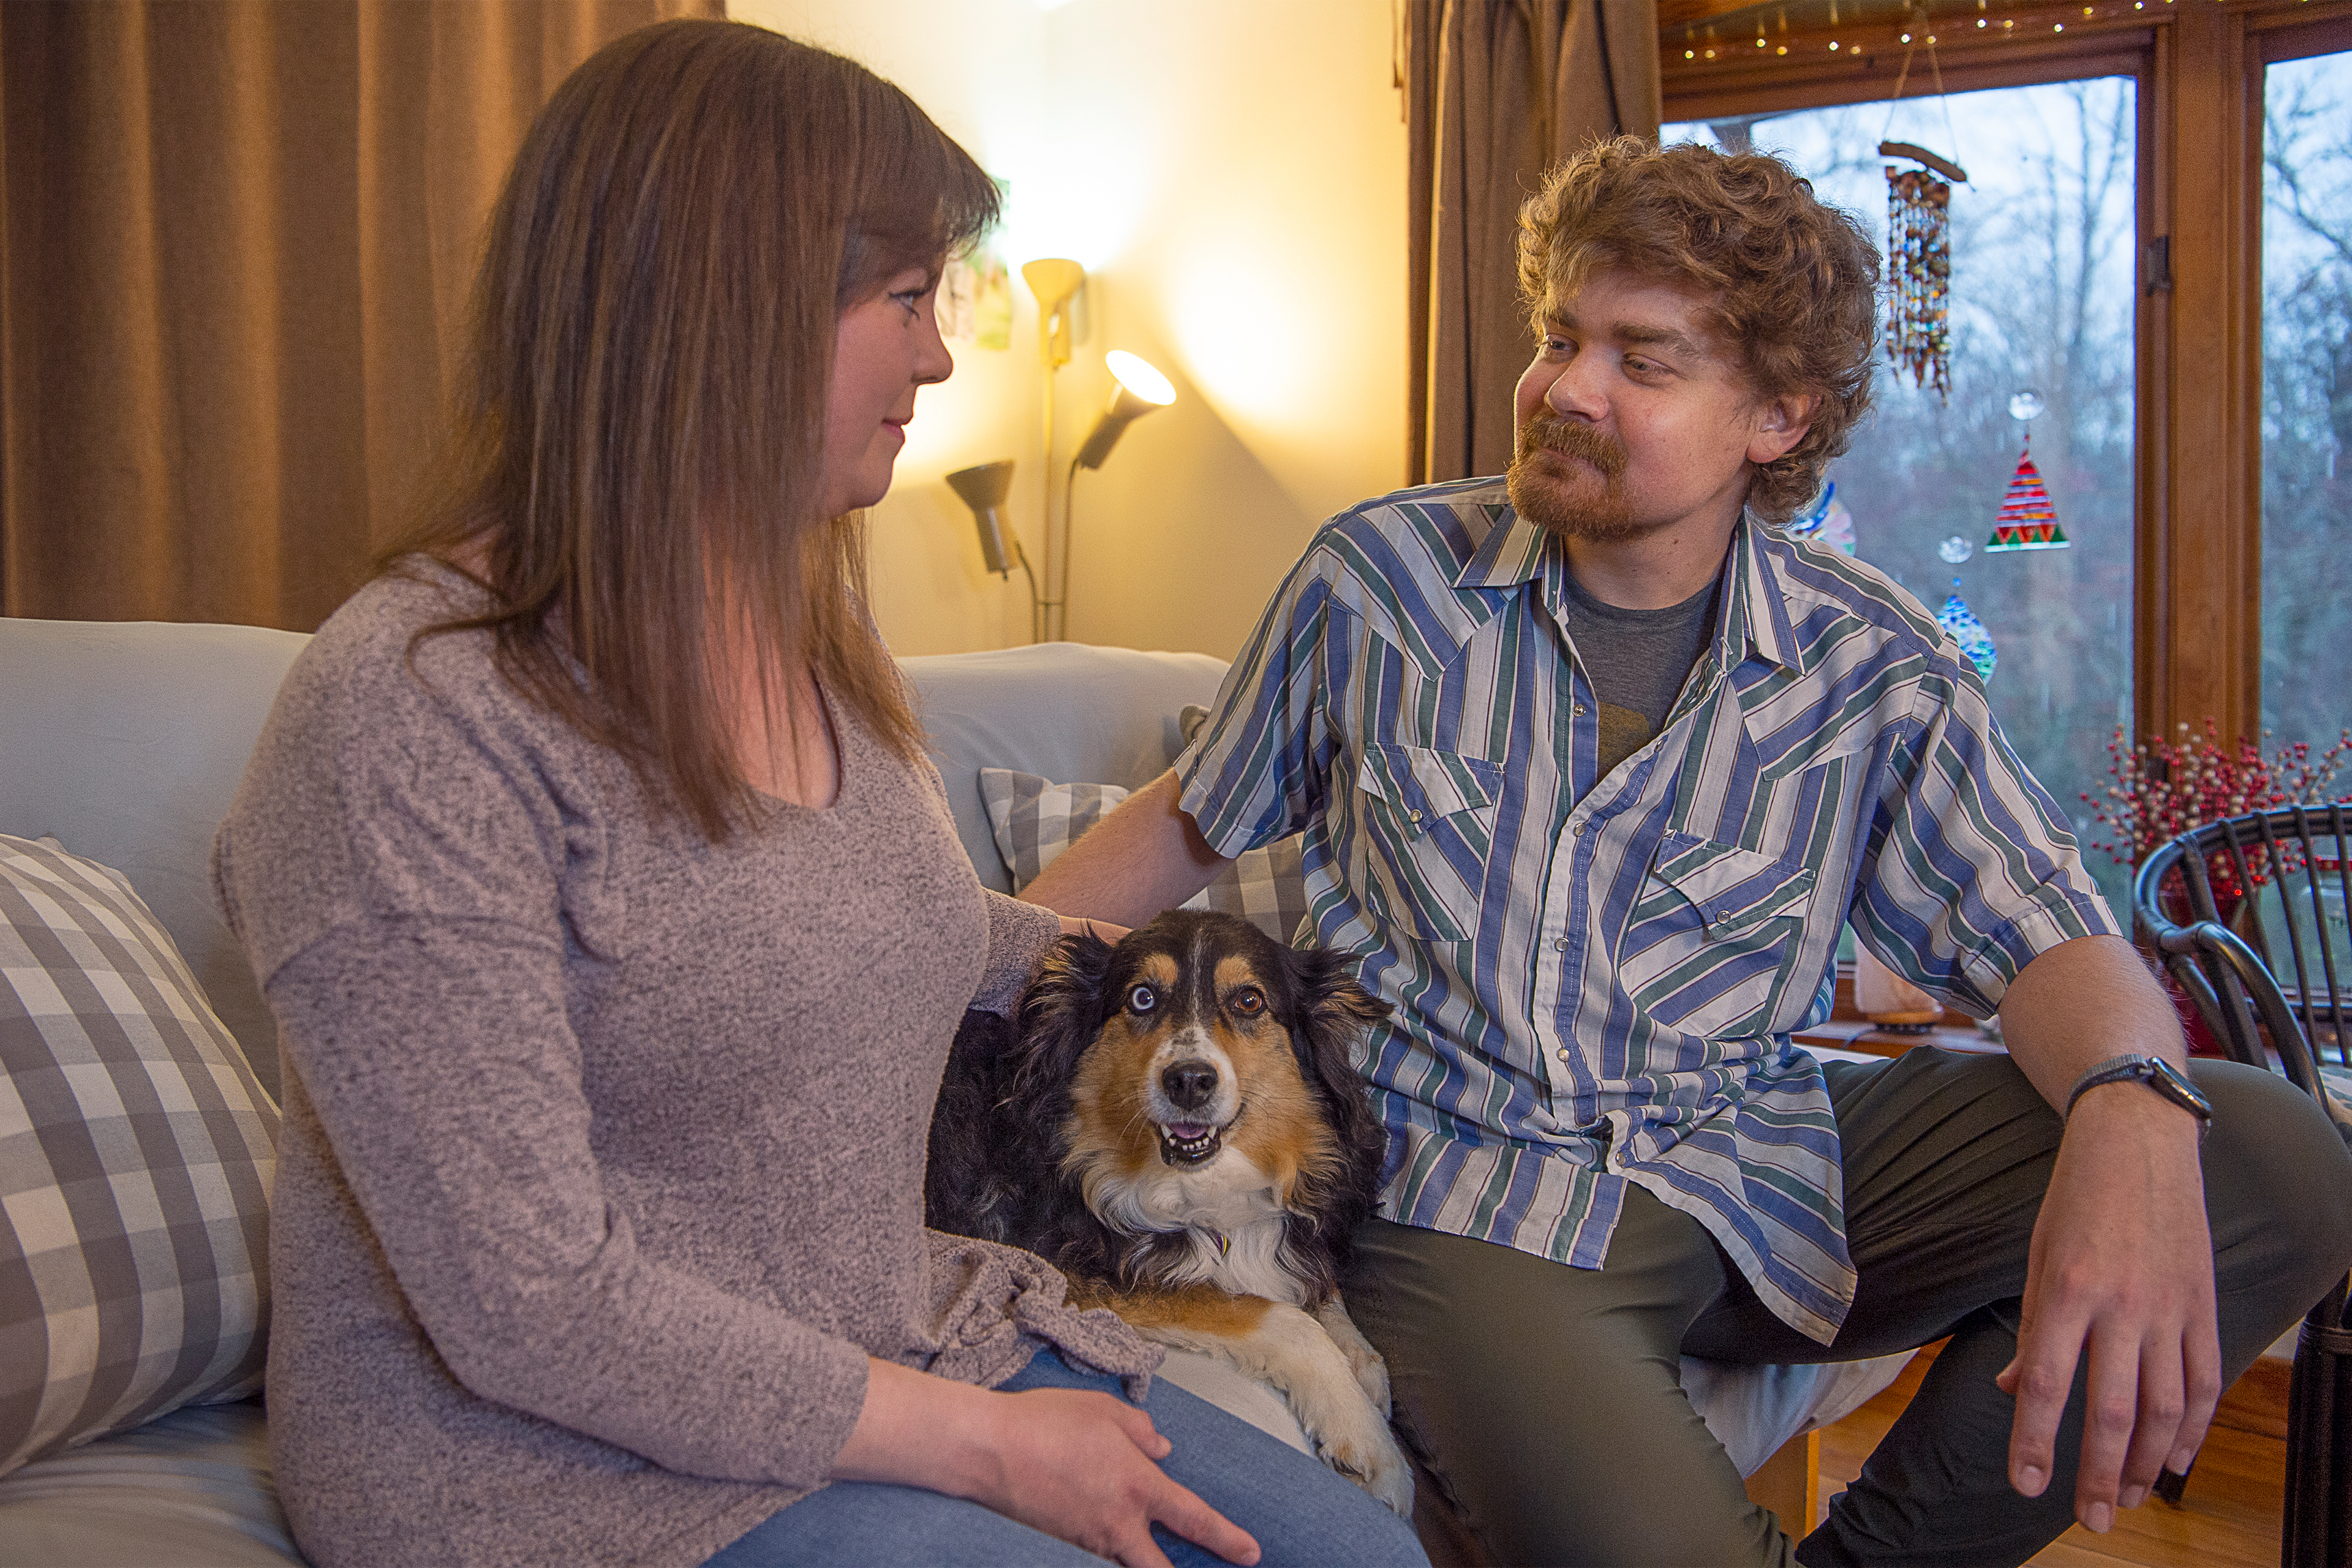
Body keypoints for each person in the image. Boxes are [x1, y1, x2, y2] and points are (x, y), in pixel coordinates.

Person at [1019, 137, 2352, 1567]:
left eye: (1641, 360)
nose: (1565, 388)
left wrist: (2132, 1102)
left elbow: (2050, 935)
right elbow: (1193, 815)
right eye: (1558, 338)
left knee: (2273, 1153)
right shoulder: (1380, 583)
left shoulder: (1870, 662)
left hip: (1758, 1157)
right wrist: (955, 970)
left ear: (1777, 415)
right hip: (1474, 1198)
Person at [211, 21, 1427, 1568]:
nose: (940, 357)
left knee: (1369, 1556)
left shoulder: (812, 638)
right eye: (908, 300)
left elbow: (932, 936)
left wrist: (1204, 955)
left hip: (879, 1345)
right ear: (731, 306)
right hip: (550, 1475)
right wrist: (989, 1443)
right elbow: (532, 1306)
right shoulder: (410, 714)